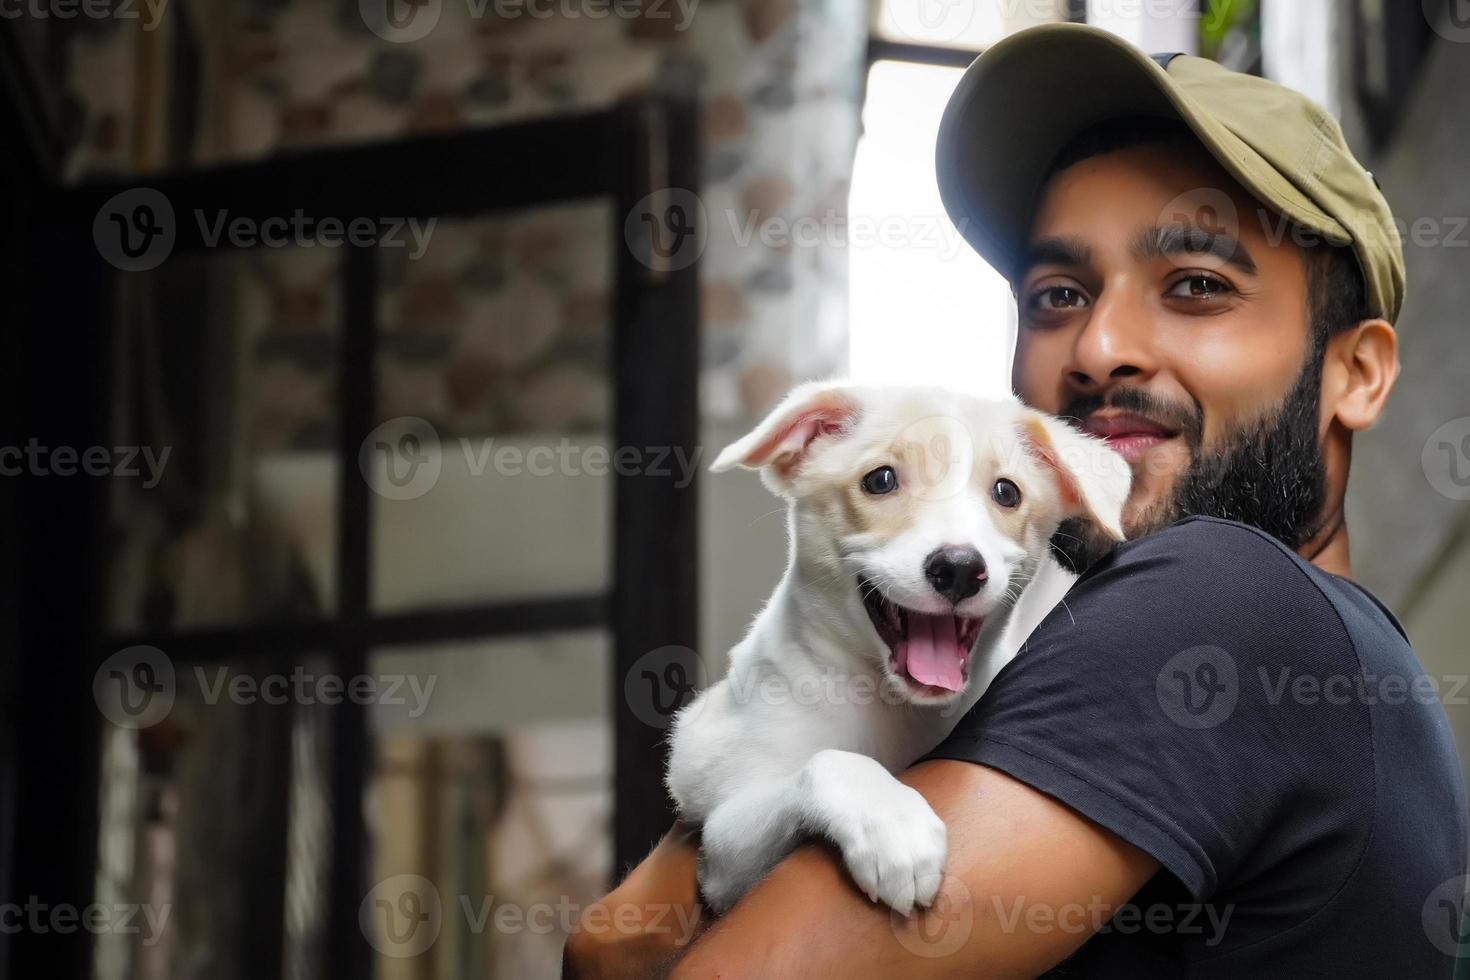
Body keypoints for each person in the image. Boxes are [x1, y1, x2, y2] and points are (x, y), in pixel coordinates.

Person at [564, 23, 1468, 978]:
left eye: (1197, 285)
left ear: (1357, 374)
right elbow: (613, 943)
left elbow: (654, 955)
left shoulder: (1221, 597)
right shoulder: (1362, 678)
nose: (1096, 346)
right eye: (1057, 294)